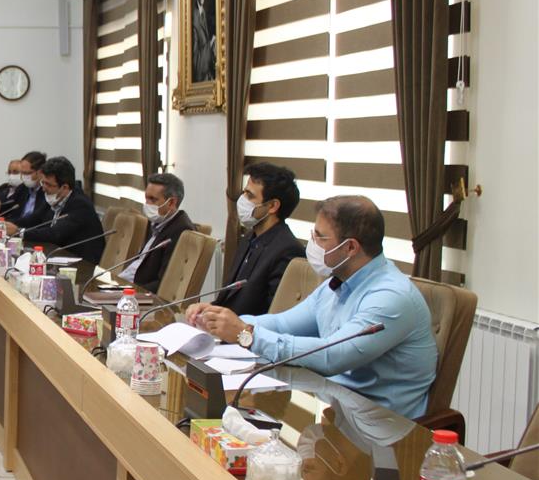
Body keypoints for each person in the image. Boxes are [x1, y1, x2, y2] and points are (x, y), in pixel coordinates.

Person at [188, 196, 437, 418]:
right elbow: (284, 323)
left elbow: (332, 356)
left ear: (350, 247)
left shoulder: (390, 297)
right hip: (332, 404)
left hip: (382, 424)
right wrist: (220, 320)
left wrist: (247, 335)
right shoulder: (337, 282)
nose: (312, 243)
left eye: (320, 237)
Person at [211, 162, 306, 316]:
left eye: (250, 195)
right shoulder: (250, 237)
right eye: (243, 193)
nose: (242, 200)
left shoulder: (288, 251)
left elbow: (273, 315)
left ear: (272, 206)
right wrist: (206, 310)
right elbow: (228, 297)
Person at [8, 156, 105, 263]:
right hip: (58, 256)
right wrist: (6, 224)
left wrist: (19, 232)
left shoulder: (80, 205)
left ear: (65, 187)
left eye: (48, 184)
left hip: (83, 264)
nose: (44, 188)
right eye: (43, 182)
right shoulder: (54, 198)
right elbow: (34, 219)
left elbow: (54, 234)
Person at [123, 172, 194, 291]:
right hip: (126, 282)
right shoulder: (156, 221)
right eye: (146, 198)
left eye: (153, 199)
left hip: (140, 292)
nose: (147, 204)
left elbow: (165, 282)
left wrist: (130, 292)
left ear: (171, 202)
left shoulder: (182, 231)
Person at [6, 150, 50, 228]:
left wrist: (10, 223)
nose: (24, 177)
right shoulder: (23, 188)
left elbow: (35, 218)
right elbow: (9, 204)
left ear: (40, 172)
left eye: (28, 173)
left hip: (32, 231)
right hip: (17, 228)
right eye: (22, 173)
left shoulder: (47, 192)